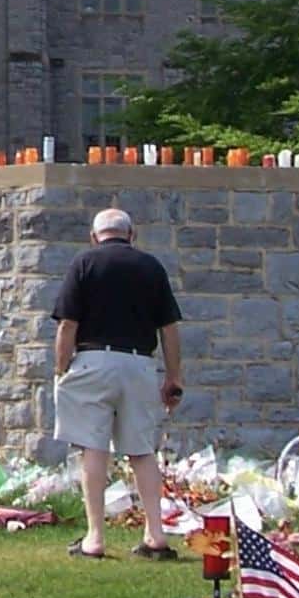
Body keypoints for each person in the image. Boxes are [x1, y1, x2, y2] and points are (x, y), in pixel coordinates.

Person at [51, 207, 184, 560]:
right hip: (139, 362)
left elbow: (68, 324)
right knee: (142, 450)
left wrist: (61, 368)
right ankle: (155, 534)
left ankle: (95, 538)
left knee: (93, 448)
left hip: (93, 360)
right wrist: (173, 376)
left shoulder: (84, 264)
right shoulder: (151, 267)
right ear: (132, 234)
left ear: (95, 236)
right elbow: (169, 328)